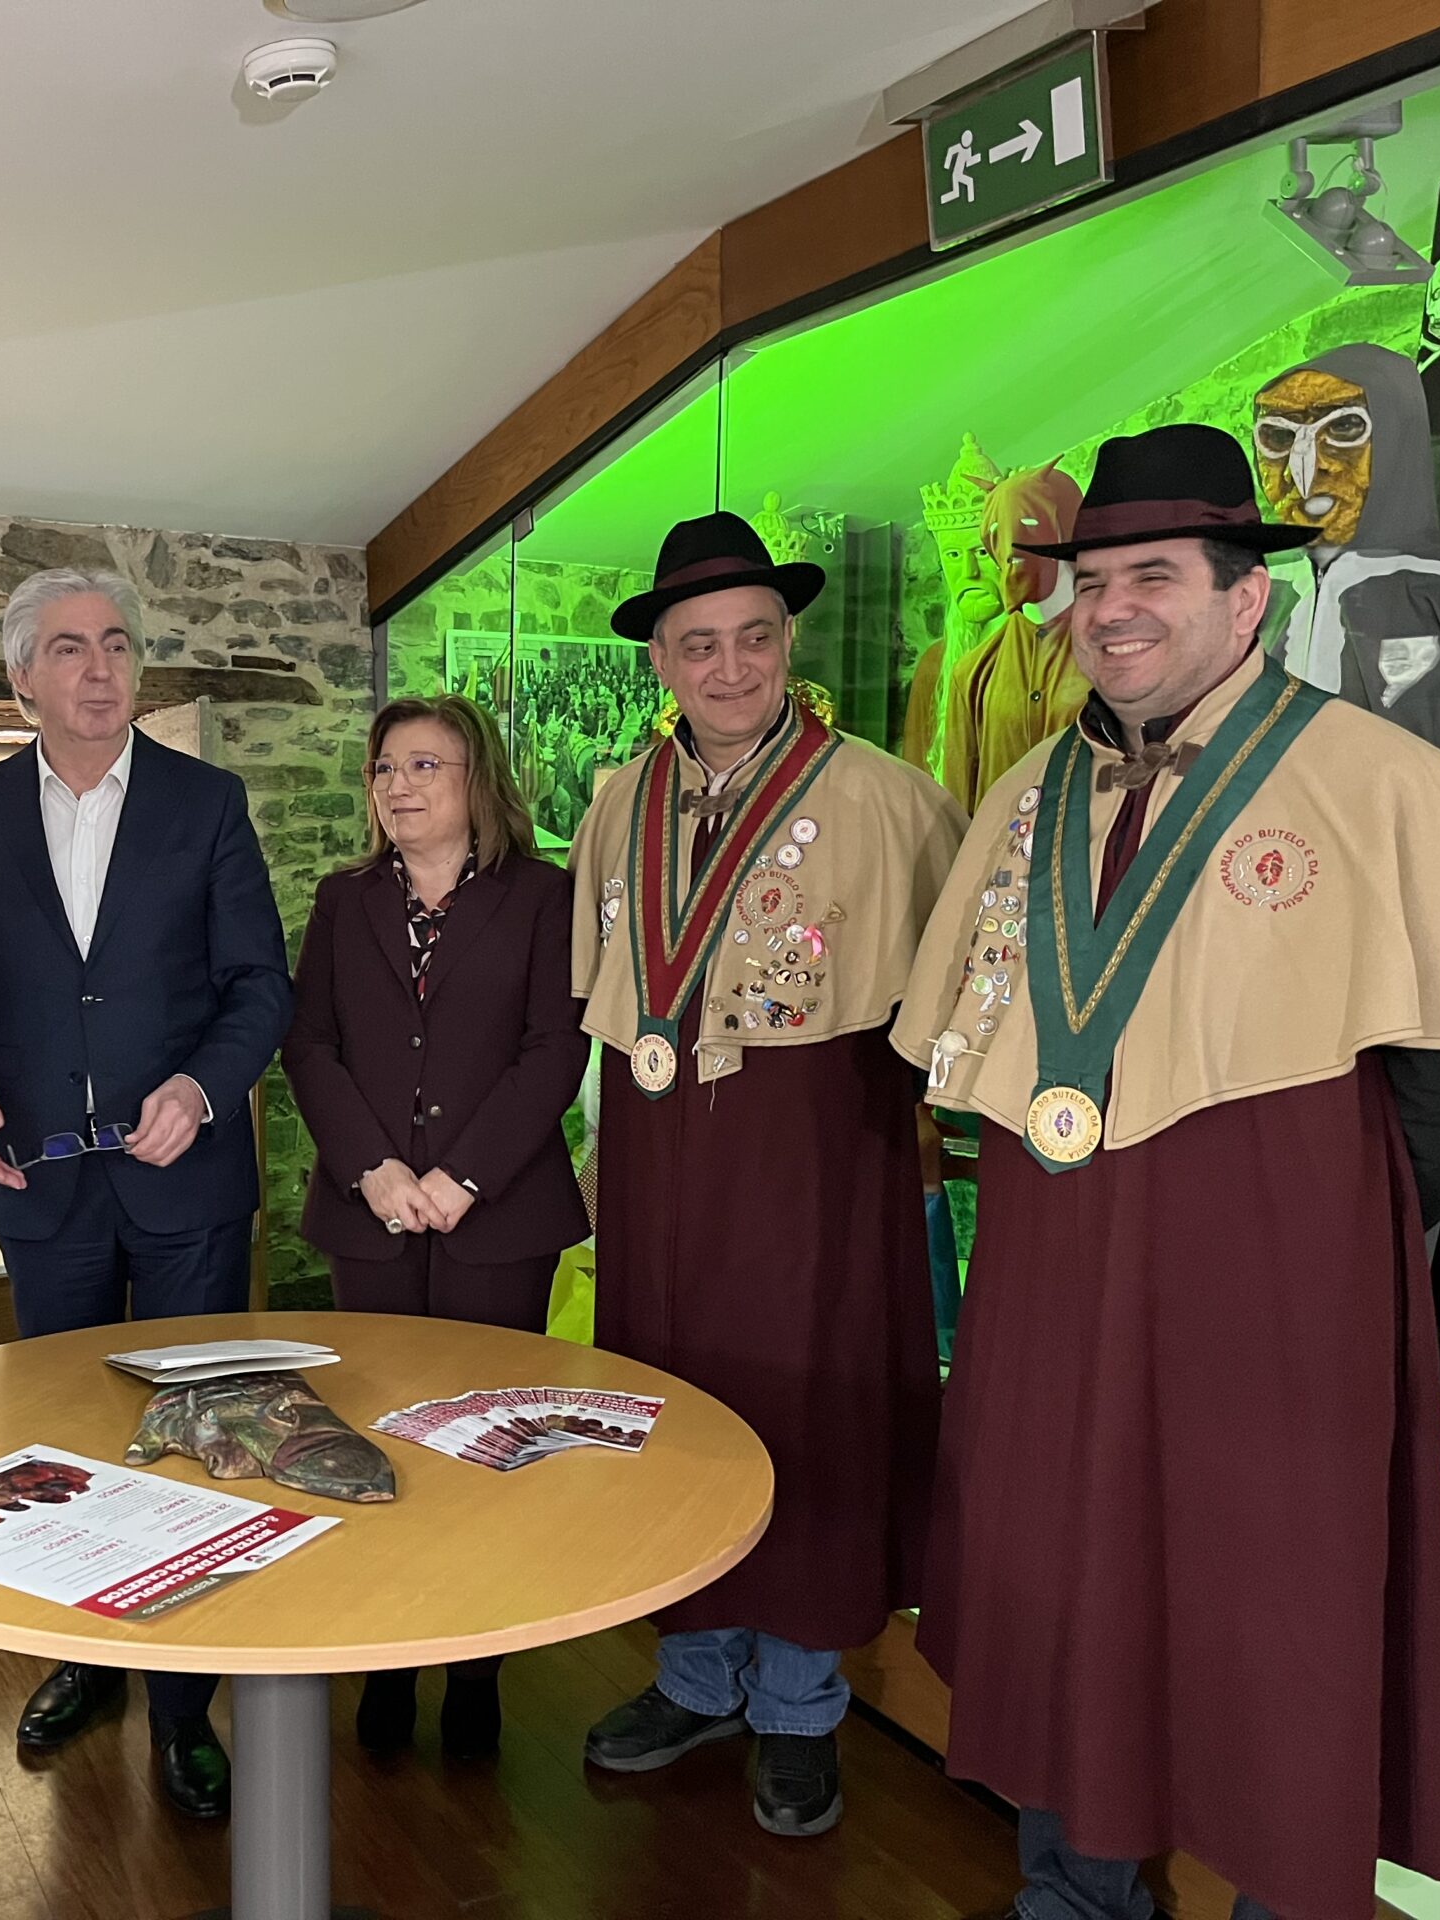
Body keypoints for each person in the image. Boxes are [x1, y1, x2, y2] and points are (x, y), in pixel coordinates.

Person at [891, 424, 1440, 1920]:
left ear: (1243, 600)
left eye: (1153, 576)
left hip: (1268, 1287)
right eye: (1090, 583)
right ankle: (1076, 1891)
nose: (1112, 609)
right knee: (1065, 1575)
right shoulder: (1024, 800)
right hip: (1056, 1274)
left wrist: (1312, 1221)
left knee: (1268, 1607)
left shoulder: (1377, 780)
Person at [566, 511, 965, 1837]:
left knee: (812, 1403)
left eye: (752, 638)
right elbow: (604, 993)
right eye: (698, 646)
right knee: (672, 1393)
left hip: (818, 1150)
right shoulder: (618, 803)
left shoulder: (889, 797)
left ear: (786, 641)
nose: (728, 667)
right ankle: (695, 1675)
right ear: (660, 665)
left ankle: (799, 1707)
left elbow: (952, 1000)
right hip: (661, 1152)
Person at [0, 565, 293, 1818]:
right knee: (69, 1439)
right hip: (43, 1193)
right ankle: (88, 1658)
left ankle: (185, 1708)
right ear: (22, 676)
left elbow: (257, 987)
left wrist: (200, 1085)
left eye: (117, 645)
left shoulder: (208, 802)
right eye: (68, 648)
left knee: (185, 1441)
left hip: (187, 1187)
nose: (98, 668)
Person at [280, 692, 589, 1756]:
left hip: (496, 1217)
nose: (399, 786)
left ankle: (475, 1670)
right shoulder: (342, 899)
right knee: (373, 1438)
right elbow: (308, 1047)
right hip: (368, 1215)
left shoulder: (543, 896)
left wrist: (460, 1176)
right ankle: (386, 1654)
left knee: (485, 1442)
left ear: (476, 780)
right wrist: (373, 1168)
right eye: (384, 769)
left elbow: (556, 1048)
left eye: (425, 765)